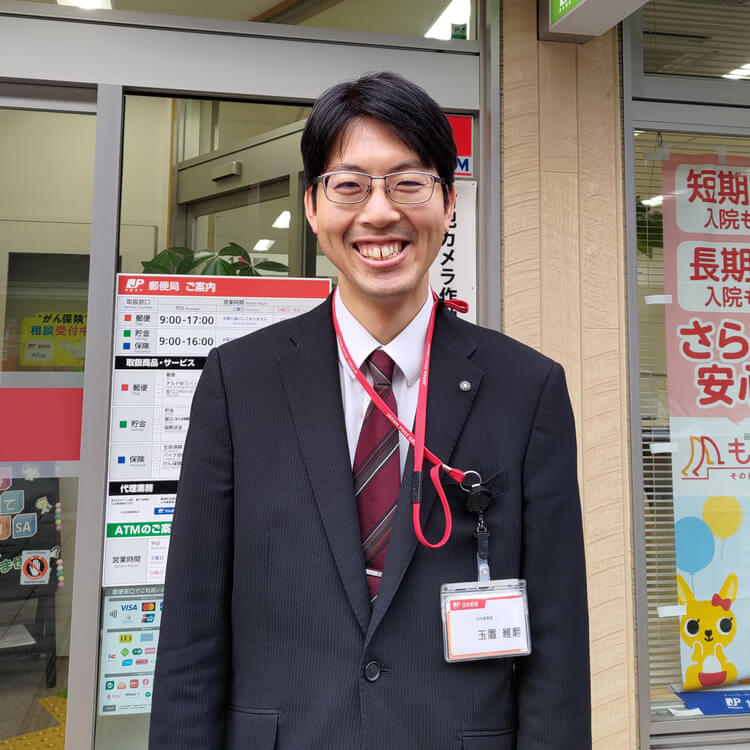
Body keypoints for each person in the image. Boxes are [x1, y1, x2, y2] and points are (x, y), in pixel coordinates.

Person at [149, 71, 590, 750]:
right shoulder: (240, 383)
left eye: (409, 183)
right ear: (312, 207)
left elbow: (557, 643)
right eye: (349, 185)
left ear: (449, 202)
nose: (380, 213)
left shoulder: (526, 389)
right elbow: (191, 631)